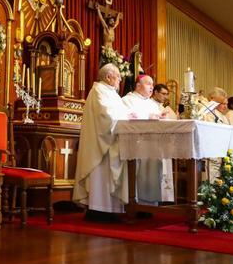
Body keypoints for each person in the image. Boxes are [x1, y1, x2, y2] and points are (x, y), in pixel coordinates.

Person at [73, 64, 130, 222]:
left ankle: (110, 210)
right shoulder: (98, 90)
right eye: (117, 76)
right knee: (101, 175)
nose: (120, 79)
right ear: (108, 77)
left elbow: (121, 113)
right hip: (100, 145)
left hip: (112, 141)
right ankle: (99, 211)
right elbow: (106, 116)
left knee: (109, 176)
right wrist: (123, 120)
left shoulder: (112, 93)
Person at [122, 75, 174, 205]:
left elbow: (155, 118)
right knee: (138, 175)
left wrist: (161, 117)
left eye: (152, 84)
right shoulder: (127, 100)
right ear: (138, 85)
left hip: (153, 145)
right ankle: (135, 203)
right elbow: (127, 119)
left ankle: (150, 204)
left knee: (153, 174)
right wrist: (149, 116)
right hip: (136, 146)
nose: (152, 87)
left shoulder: (151, 103)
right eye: (148, 84)